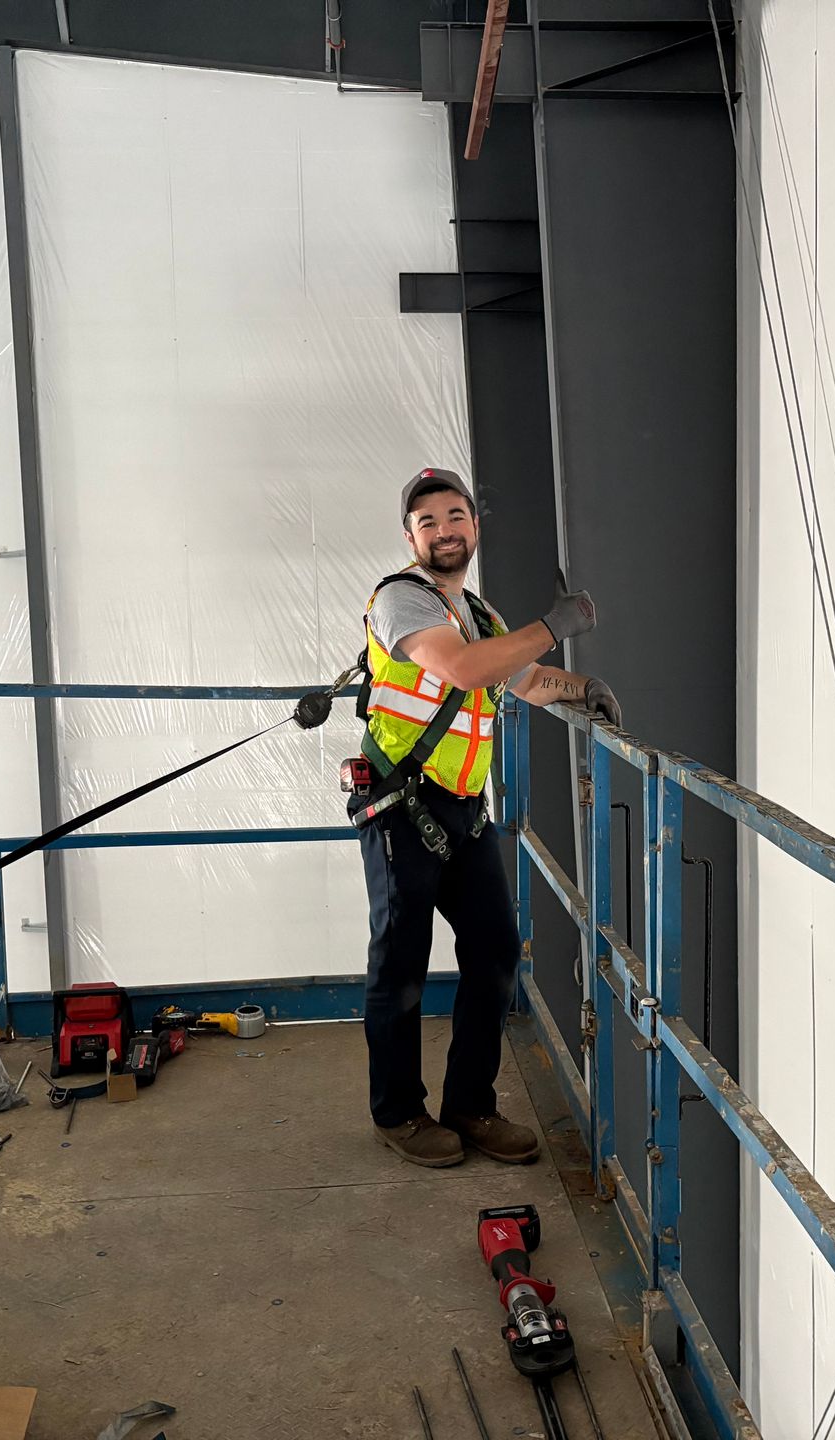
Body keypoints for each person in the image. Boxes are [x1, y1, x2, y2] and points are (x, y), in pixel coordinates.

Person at [351, 467, 622, 1168]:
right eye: (428, 522)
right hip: (402, 807)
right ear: (410, 538)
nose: (444, 530)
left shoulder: (482, 615)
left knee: (496, 952)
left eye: (455, 516)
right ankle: (399, 1114)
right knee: (402, 964)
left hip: (464, 811)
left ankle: (470, 1105)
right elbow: (466, 672)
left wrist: (581, 688)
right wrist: (554, 626)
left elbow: (520, 678)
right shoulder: (402, 603)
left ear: (474, 526)